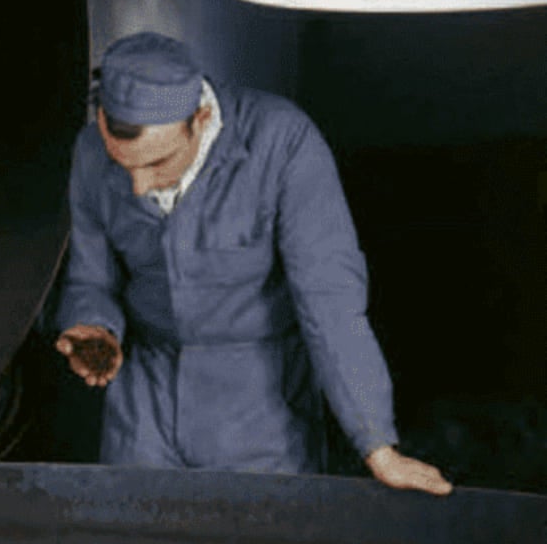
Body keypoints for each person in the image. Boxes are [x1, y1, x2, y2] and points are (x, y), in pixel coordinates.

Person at [54, 32, 451, 495]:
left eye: (158, 164)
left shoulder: (282, 142)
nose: (138, 187)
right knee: (131, 533)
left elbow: (330, 303)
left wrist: (376, 443)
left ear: (200, 119)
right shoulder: (89, 151)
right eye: (123, 166)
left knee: (259, 536)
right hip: (144, 405)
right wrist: (94, 325)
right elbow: (91, 277)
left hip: (260, 408)